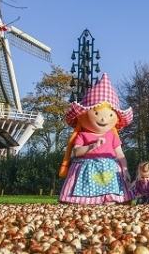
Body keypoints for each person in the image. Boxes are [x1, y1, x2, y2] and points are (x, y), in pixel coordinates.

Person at [58, 73, 133, 204]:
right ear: (83, 116)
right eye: (97, 113)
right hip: (86, 168)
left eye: (110, 114)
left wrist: (125, 169)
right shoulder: (82, 135)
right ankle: (84, 201)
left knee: (111, 192)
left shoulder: (112, 135)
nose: (104, 119)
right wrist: (92, 146)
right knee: (83, 196)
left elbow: (120, 154)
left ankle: (110, 199)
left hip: (109, 170)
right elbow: (76, 152)